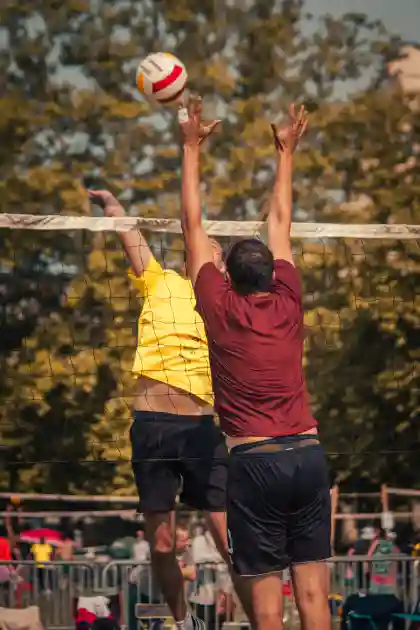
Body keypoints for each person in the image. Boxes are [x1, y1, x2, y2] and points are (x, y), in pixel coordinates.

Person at [178, 95, 332, 630]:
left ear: (228, 276)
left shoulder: (219, 308)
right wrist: (286, 152)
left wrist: (191, 147)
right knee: (314, 599)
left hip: (255, 462)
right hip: (307, 456)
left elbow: (192, 225)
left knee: (267, 612)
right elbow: (281, 220)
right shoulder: (289, 298)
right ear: (272, 272)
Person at [87, 189, 250, 630]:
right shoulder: (162, 282)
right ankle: (184, 622)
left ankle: (261, 619)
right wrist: (114, 208)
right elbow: (130, 236)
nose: (198, 245)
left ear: (222, 266)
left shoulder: (226, 302)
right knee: (161, 545)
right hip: (153, 426)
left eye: (210, 246)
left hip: (200, 429)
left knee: (230, 541)